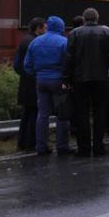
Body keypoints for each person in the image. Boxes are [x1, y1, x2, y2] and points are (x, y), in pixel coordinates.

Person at [62, 8, 109, 157]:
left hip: (80, 78)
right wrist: (105, 65)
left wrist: (66, 78)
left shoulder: (74, 33)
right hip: (101, 78)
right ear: (97, 18)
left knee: (82, 113)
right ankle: (99, 147)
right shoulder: (106, 32)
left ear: (83, 18)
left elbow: (69, 57)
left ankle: (84, 148)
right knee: (100, 112)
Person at [23, 16, 72, 155]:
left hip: (41, 81)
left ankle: (41, 147)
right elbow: (68, 64)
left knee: (42, 115)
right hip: (58, 82)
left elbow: (27, 65)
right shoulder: (64, 42)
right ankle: (62, 146)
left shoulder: (35, 42)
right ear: (61, 27)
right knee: (61, 114)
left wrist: (37, 75)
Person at [14, 17, 45, 151]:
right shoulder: (35, 42)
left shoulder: (24, 40)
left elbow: (16, 65)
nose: (46, 30)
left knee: (26, 114)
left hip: (25, 82)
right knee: (34, 113)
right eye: (44, 28)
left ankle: (22, 142)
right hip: (33, 83)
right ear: (38, 29)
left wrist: (24, 75)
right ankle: (30, 142)